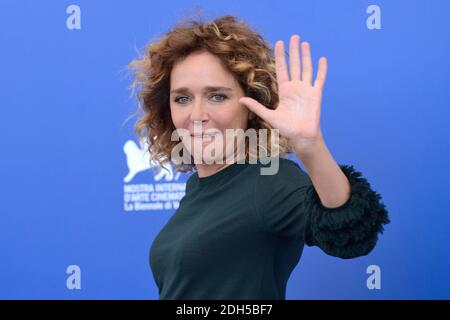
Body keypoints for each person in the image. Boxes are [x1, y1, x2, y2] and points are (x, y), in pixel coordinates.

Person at [127, 14, 390, 300]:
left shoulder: (268, 179)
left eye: (217, 96)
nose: (197, 116)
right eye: (182, 98)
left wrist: (310, 146)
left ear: (251, 105)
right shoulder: (197, 189)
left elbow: (354, 233)